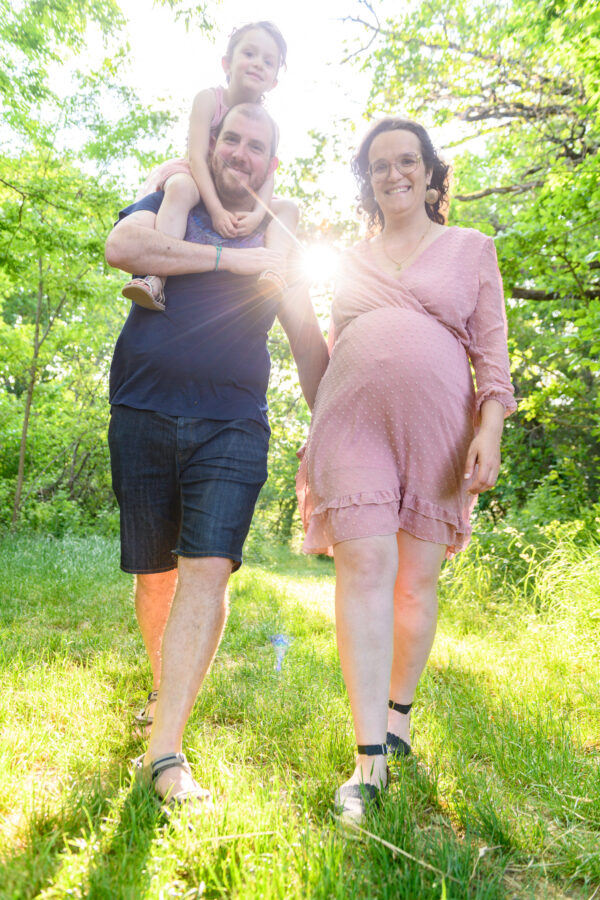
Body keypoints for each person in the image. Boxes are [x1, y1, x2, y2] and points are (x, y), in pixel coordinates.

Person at [105, 101, 329, 807]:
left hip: (232, 419)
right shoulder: (171, 193)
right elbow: (124, 250)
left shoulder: (284, 236)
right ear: (212, 144)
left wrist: (330, 428)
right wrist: (234, 258)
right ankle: (161, 685)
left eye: (256, 145)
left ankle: (167, 748)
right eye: (231, 139)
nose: (241, 152)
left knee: (207, 569)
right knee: (154, 576)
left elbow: (305, 336)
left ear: (271, 164)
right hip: (140, 408)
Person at [296, 117, 517, 823]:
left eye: (407, 161)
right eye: (380, 165)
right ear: (369, 179)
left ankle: (398, 718)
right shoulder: (349, 262)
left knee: (415, 588)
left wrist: (490, 430)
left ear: (430, 172)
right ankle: (369, 761)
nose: (394, 174)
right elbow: (334, 356)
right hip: (352, 423)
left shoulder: (471, 249)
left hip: (439, 432)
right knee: (363, 567)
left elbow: (493, 356)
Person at [122, 20, 297, 311]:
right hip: (197, 171)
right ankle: (155, 278)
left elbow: (268, 176)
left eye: (268, 61)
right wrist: (215, 209)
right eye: (249, 54)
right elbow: (196, 156)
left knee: (289, 209)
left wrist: (257, 215)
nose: (257, 64)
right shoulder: (209, 99)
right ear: (227, 63)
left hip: (239, 187)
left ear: (274, 81)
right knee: (180, 189)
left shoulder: (268, 124)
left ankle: (274, 271)